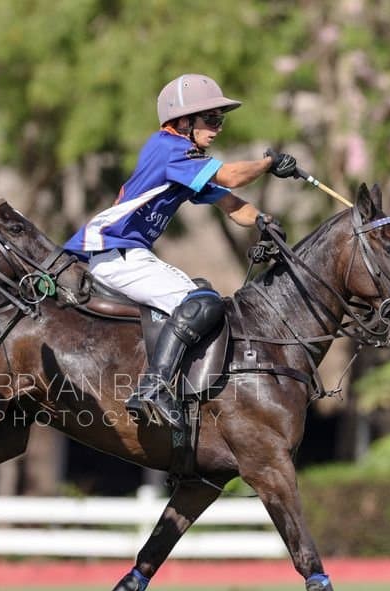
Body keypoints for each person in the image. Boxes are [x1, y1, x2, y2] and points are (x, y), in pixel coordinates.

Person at [63, 73, 299, 429]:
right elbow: (233, 176)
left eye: (221, 119)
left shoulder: (186, 164)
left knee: (202, 296)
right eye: (211, 119)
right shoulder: (170, 148)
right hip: (115, 252)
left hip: (126, 254)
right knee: (205, 303)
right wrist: (268, 165)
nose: (218, 128)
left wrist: (263, 220)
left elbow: (231, 203)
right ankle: (153, 387)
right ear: (183, 120)